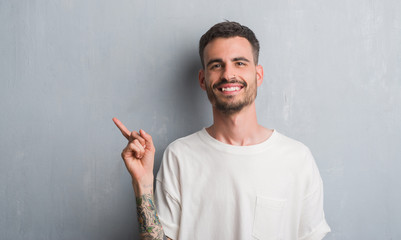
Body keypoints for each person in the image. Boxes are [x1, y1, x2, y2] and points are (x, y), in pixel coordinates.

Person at [113, 21, 331, 240]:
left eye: (239, 63)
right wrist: (142, 185)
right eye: (217, 65)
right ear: (203, 79)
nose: (228, 74)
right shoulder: (179, 156)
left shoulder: (297, 159)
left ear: (258, 75)